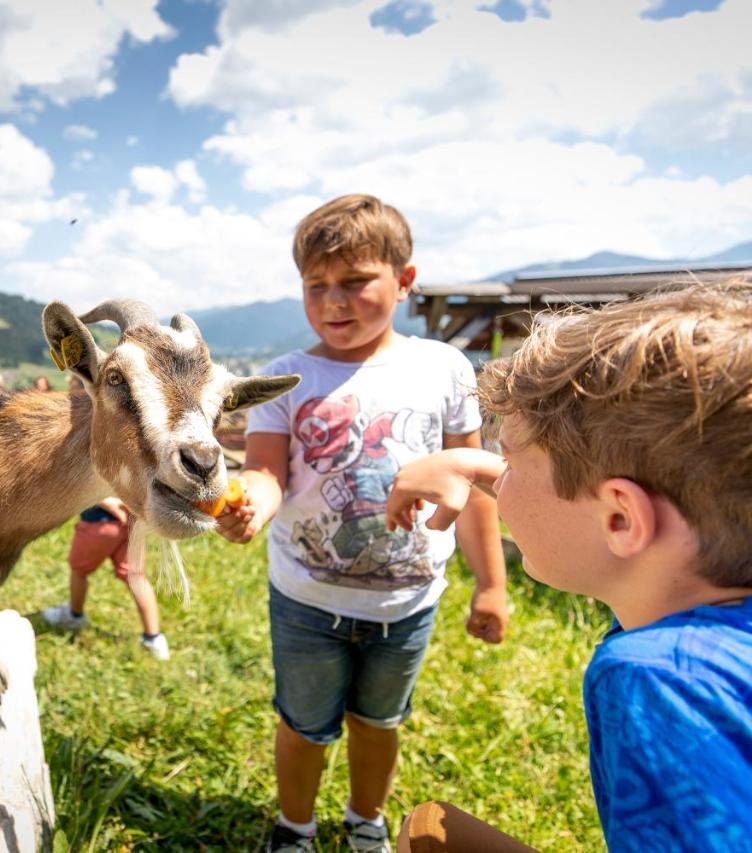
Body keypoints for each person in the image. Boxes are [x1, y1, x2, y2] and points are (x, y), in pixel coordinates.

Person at [385, 281, 752, 852]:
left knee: (427, 835)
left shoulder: (661, 682)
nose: (498, 479)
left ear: (621, 520)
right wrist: (477, 463)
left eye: (508, 457)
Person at [216, 194, 508, 853]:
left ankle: (365, 820)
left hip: (407, 602)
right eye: (316, 286)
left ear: (404, 280)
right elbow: (266, 471)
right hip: (306, 599)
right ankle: (295, 828)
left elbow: (475, 483)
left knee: (379, 722)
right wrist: (252, 506)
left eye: (355, 282)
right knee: (304, 724)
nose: (333, 302)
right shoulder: (284, 376)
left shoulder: (445, 368)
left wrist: (491, 582)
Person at [42, 497, 171, 661]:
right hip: (132, 521)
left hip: (99, 524)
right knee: (136, 577)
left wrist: (106, 502)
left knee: (79, 571)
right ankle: (154, 639)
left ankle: (74, 617)